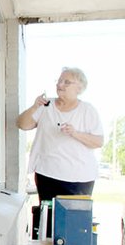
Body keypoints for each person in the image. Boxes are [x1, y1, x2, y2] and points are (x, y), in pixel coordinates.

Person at [17, 67, 104, 209]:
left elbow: (98, 142)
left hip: (79, 178)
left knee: (73, 223)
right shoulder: (45, 106)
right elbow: (22, 124)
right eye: (59, 81)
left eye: (66, 82)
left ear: (79, 88)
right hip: (47, 173)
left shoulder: (88, 110)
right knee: (48, 220)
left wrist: (75, 133)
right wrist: (34, 107)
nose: (60, 85)